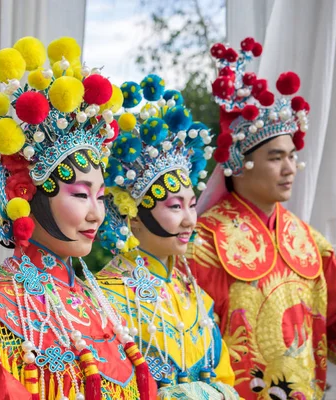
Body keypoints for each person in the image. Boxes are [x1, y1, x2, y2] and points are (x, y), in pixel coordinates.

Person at [0, 36, 158, 400]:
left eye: (100, 196)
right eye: (80, 195)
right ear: (27, 196)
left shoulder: (92, 297)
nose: (96, 213)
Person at [186, 37, 336, 399]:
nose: (291, 168)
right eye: (276, 157)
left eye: (292, 156)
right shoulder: (203, 243)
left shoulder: (307, 240)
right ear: (239, 164)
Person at [93, 74, 239, 399]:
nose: (189, 219)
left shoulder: (198, 301)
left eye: (191, 204)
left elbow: (224, 378)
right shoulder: (103, 299)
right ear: (134, 218)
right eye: (175, 206)